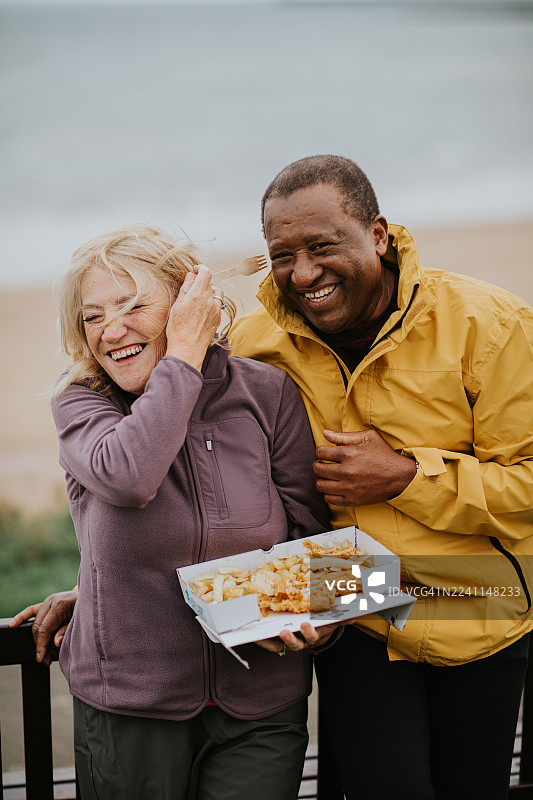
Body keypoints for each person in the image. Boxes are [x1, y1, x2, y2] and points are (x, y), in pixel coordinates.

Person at [227, 155, 533, 799]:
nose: (302, 273)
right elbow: (192, 480)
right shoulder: (251, 345)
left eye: (322, 246)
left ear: (378, 235)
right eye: (282, 255)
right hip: (351, 599)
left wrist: (406, 478)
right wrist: (101, 589)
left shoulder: (490, 324)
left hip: (478, 601)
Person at [10, 223, 333, 800]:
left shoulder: (267, 393)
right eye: (92, 317)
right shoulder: (82, 402)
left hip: (261, 706)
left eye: (134, 306)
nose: (112, 331)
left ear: (189, 302)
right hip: (131, 708)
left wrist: (316, 623)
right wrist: (182, 354)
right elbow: (129, 477)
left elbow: (311, 537)